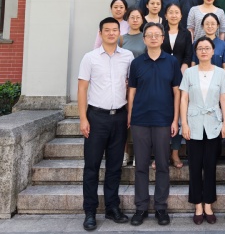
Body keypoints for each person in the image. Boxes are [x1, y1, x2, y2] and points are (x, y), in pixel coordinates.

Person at [78, 17, 133, 231]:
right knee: (91, 167)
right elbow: (82, 88)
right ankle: (90, 212)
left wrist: (129, 113)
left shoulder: (127, 56)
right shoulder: (90, 57)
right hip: (96, 117)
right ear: (100, 33)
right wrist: (83, 118)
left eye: (114, 30)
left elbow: (130, 87)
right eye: (107, 30)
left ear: (119, 33)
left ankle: (112, 208)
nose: (111, 33)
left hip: (119, 116)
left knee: (114, 166)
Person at [127, 22, 182, 226]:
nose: (153, 38)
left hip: (163, 120)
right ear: (144, 39)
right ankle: (140, 207)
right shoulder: (136, 63)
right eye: (149, 35)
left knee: (162, 165)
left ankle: (161, 207)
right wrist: (130, 116)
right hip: (140, 120)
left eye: (156, 35)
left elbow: (177, 92)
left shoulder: (172, 62)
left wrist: (175, 119)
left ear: (162, 38)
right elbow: (132, 91)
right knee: (141, 165)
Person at [180, 37, 225, 225]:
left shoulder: (220, 73)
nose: (203, 51)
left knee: (210, 165)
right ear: (196, 52)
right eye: (200, 48)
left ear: (213, 51)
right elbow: (184, 99)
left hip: (213, 124)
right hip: (193, 123)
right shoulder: (189, 72)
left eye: (207, 48)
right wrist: (184, 124)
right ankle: (197, 205)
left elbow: (224, 99)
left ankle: (208, 204)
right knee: (194, 166)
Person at [161, 2, 193, 169]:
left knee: (178, 115)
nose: (173, 15)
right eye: (170, 12)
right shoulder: (160, 31)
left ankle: (175, 152)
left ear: (181, 16)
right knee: (163, 114)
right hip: (161, 76)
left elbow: (188, 54)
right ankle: (161, 153)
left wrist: (184, 67)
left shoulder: (186, 33)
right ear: (166, 16)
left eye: (176, 12)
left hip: (181, 76)